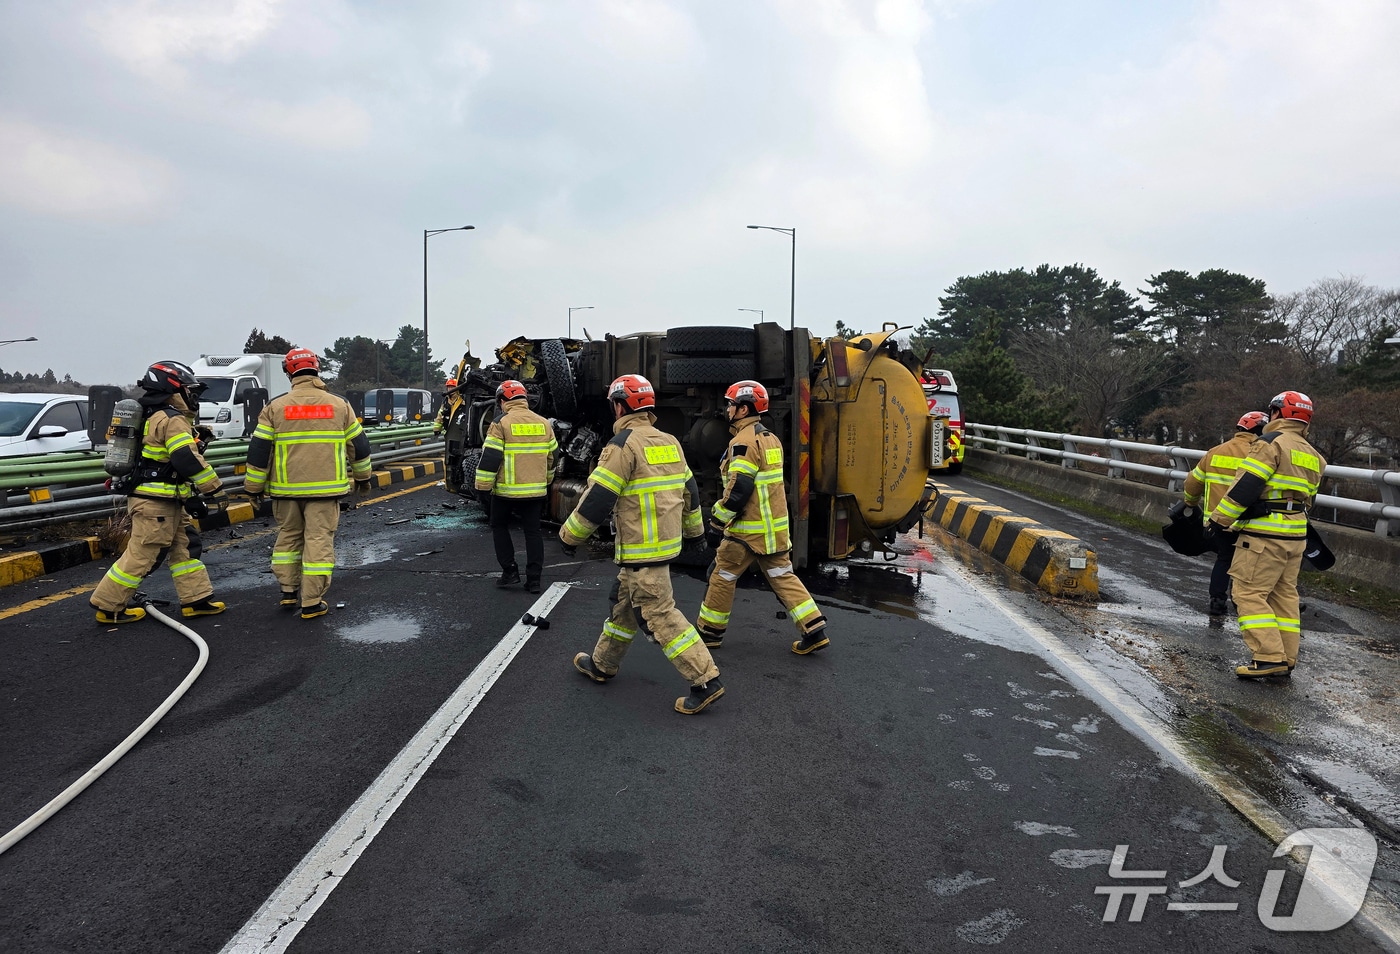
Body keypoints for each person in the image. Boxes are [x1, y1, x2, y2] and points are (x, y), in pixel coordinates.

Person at [560, 374, 724, 714]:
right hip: (661, 546)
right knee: (622, 606)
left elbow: (597, 500)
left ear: (620, 405)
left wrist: (570, 537)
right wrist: (694, 535)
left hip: (641, 551)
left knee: (658, 615)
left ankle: (706, 680)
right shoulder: (670, 442)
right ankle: (603, 663)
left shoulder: (622, 445)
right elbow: (689, 494)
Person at [697, 380, 830, 655]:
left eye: (731, 404)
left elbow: (739, 489)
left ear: (743, 409)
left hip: (746, 531)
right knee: (783, 575)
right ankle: (814, 629)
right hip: (774, 530)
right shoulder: (770, 439)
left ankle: (709, 633)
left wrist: (717, 521)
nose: (727, 409)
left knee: (722, 575)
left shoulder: (743, 442)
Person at [90, 361, 226, 624]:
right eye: (189, 390)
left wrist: (190, 495)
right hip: (156, 505)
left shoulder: (150, 414)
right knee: (142, 554)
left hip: (166, 500)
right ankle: (108, 606)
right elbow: (185, 458)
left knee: (185, 547)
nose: (192, 395)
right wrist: (214, 489)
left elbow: (164, 460)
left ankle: (196, 600)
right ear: (174, 389)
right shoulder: (172, 419)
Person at [243, 348, 373, 619]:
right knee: (318, 540)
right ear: (317, 369)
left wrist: (252, 489)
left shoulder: (275, 408)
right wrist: (363, 478)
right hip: (325, 492)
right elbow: (359, 447)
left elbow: (258, 453)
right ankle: (312, 602)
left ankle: (289, 593)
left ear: (289, 372)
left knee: (288, 537)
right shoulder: (339, 405)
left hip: (285, 492)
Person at [1209, 391, 1327, 679]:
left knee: (1247, 592)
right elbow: (1308, 498)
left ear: (1276, 414)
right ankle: (1286, 659)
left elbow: (1246, 486)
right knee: (1283, 595)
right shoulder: (1314, 456)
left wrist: (1218, 520)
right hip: (1295, 535)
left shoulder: (1269, 443)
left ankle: (1267, 658)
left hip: (1264, 534)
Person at [1183, 410, 1269, 616]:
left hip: (1218, 522)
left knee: (1224, 559)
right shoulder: (1263, 453)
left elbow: (1192, 483)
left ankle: (1217, 601)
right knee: (1253, 565)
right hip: (1250, 521)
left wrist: (1190, 502)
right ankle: (1246, 604)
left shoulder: (1215, 451)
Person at [475, 379, 558, 594]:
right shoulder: (544, 423)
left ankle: (510, 572)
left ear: (503, 400)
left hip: (505, 492)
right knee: (533, 532)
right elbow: (553, 457)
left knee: (499, 526)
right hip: (535, 491)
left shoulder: (500, 423)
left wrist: (482, 489)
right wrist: (546, 482)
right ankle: (534, 581)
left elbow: (490, 459)